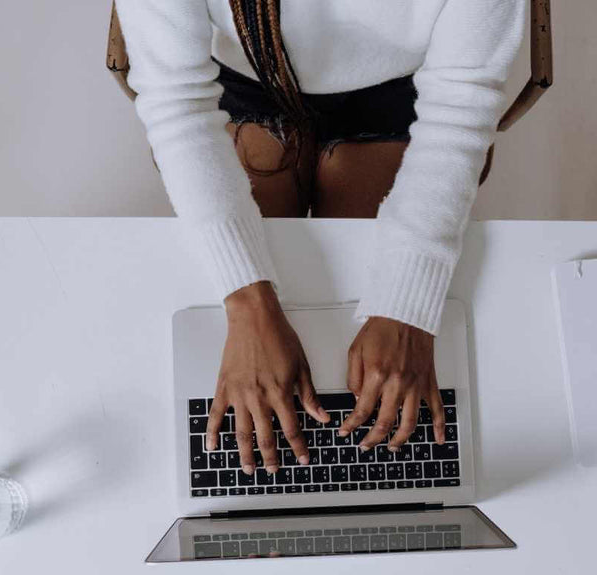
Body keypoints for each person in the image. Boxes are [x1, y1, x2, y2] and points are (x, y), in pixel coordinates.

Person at [117, 0, 525, 476]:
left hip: (400, 86)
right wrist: (247, 302)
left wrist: (405, 308)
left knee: (362, 382)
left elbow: (461, 103)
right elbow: (176, 100)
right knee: (248, 381)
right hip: (249, 77)